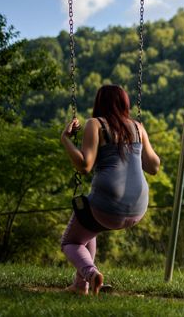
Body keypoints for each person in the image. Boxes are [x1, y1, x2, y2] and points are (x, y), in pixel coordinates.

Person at [60, 85, 160, 295]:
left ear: (99, 103)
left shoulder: (95, 124)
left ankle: (91, 274)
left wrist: (66, 139)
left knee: (70, 241)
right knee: (88, 228)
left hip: (107, 206)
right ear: (125, 103)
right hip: (138, 208)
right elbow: (154, 167)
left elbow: (85, 166)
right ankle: (80, 286)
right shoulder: (138, 127)